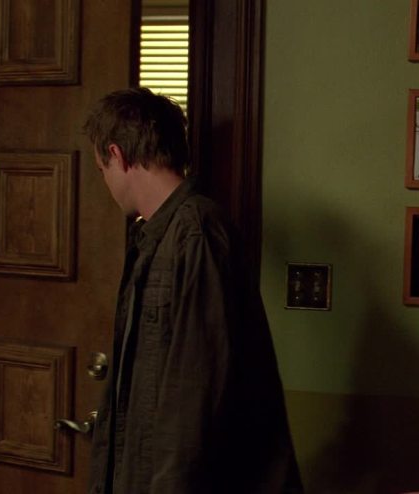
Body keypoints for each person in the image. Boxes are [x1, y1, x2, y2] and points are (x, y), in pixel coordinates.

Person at [83, 88, 302, 494]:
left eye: (102, 169)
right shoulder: (157, 236)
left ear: (118, 155)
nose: (106, 182)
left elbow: (195, 395)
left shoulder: (196, 233)